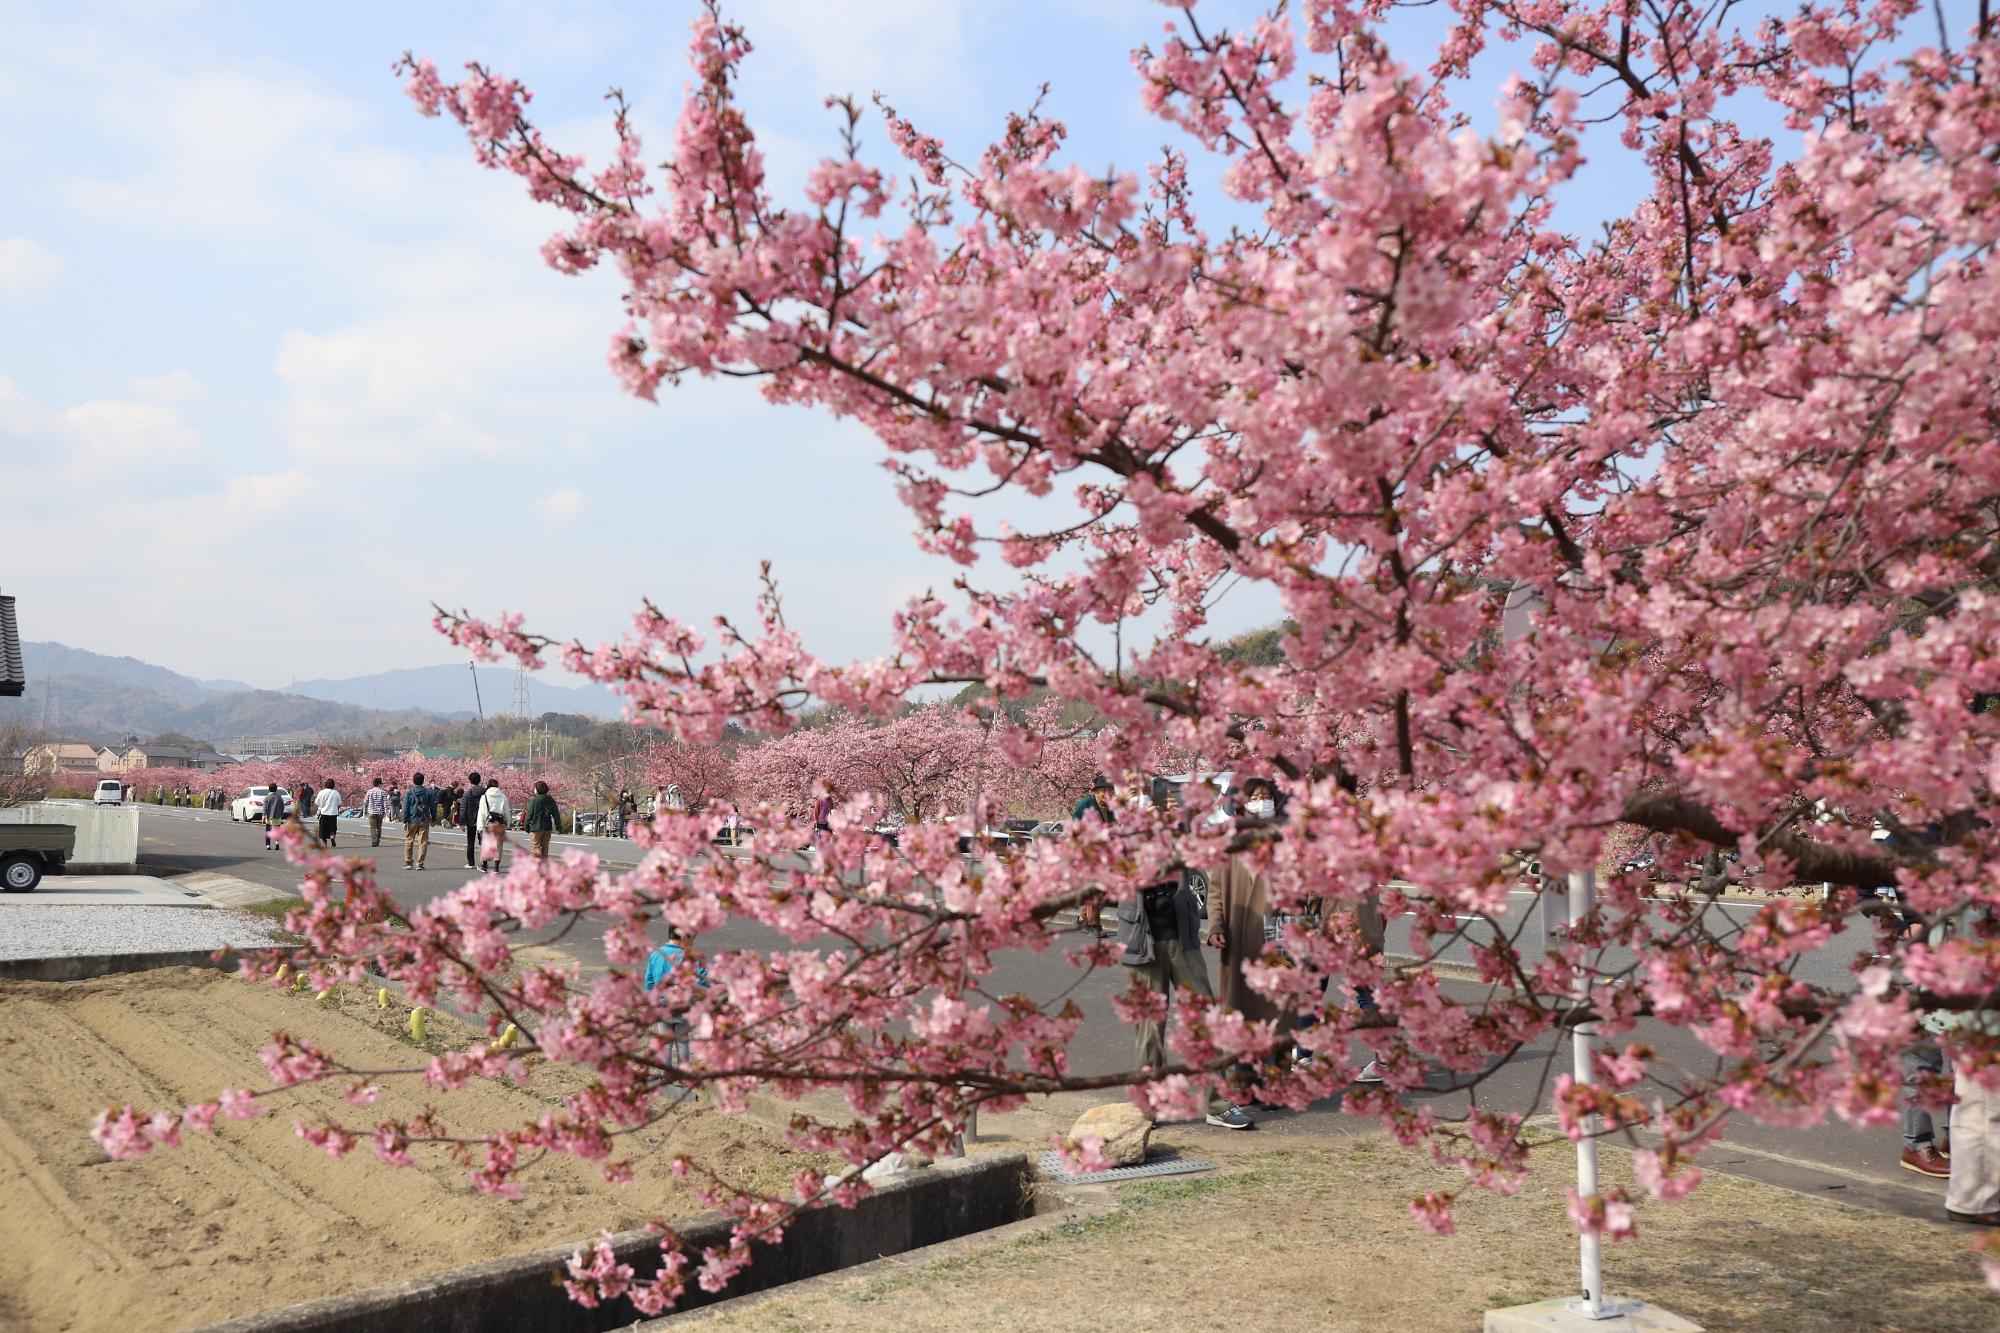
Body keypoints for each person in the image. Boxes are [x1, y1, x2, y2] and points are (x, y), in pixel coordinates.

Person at [1115, 869, 1253, 1130]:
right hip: (1141, 942)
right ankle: (1147, 1106)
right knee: (1150, 1029)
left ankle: (1217, 1103)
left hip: (1183, 939)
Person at [644, 926, 711, 1065]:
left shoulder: (656, 954)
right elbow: (703, 980)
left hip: (662, 1005)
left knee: (665, 1043)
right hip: (683, 1005)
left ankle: (667, 1075)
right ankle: (683, 1074)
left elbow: (649, 981)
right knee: (682, 1041)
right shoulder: (689, 957)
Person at [1069, 775, 1117, 938]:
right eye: (1103, 791)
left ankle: (1083, 918)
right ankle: (1094, 924)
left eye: (1110, 791)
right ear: (1096, 792)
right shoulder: (1086, 804)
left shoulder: (1110, 808)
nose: (1106, 794)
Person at [402, 771, 437, 870]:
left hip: (412, 819)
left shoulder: (409, 792)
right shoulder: (429, 792)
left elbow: (405, 808)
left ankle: (408, 862)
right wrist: (433, 819)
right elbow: (433, 807)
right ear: (423, 781)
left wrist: (405, 821)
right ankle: (420, 864)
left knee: (409, 840)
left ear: (414, 780)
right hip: (424, 820)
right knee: (423, 842)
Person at [477, 776, 510, 872]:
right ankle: (496, 867)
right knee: (498, 845)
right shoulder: (503, 796)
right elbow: (506, 811)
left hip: (488, 824)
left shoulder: (484, 797)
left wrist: (479, 827)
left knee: (486, 844)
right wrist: (508, 823)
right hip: (500, 824)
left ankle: (484, 866)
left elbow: (482, 813)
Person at [524, 780, 559, 859]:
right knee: (545, 849)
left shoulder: (534, 800)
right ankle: (544, 867)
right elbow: (556, 815)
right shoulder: (551, 800)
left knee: (535, 847)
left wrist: (526, 826)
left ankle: (536, 866)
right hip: (547, 828)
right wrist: (558, 827)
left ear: (537, 789)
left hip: (536, 828)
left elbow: (529, 815)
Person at [458, 773, 485, 869]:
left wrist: (461, 823)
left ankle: (471, 862)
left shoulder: (467, 793)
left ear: (470, 781)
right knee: (483, 841)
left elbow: (463, 809)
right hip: (483, 820)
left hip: (471, 820)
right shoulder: (485, 791)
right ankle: (483, 862)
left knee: (471, 841)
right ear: (479, 780)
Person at [362, 777, 391, 848]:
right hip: (380, 812)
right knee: (379, 827)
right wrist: (387, 812)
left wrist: (366, 808)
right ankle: (377, 840)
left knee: (372, 827)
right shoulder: (383, 792)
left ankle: (374, 841)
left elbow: (365, 802)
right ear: (379, 784)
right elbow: (385, 803)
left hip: (371, 812)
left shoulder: (369, 791)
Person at [313, 779, 341, 848]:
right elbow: (339, 803)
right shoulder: (336, 793)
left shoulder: (322, 792)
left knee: (323, 829)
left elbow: (317, 802)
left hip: (324, 813)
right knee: (332, 828)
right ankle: (332, 837)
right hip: (333, 813)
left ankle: (324, 843)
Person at [261, 782, 287, 851]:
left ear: (269, 789)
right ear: (276, 789)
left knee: (268, 831)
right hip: (277, 817)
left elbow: (264, 808)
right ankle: (277, 842)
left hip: (269, 817)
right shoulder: (279, 797)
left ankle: (268, 845)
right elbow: (282, 806)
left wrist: (263, 817)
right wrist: (280, 814)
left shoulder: (267, 797)